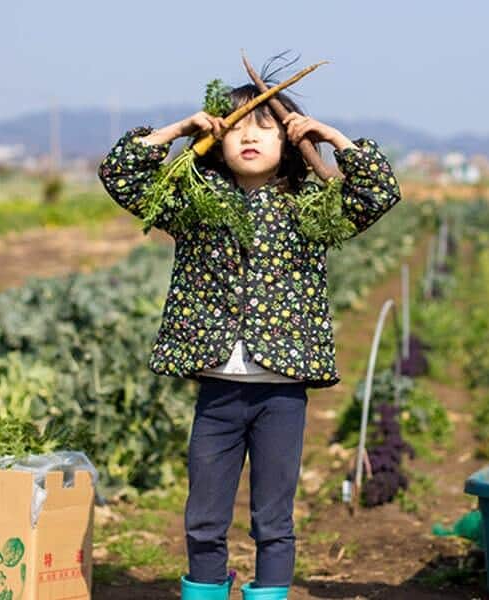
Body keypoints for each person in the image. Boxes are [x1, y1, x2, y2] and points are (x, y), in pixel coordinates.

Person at [99, 83, 401, 600]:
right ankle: (208, 587)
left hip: (281, 393)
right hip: (218, 390)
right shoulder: (197, 202)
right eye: (236, 126)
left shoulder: (310, 208)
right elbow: (119, 173)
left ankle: (271, 590)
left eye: (265, 127)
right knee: (204, 516)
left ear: (288, 141)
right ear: (217, 141)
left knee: (273, 518)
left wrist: (331, 138)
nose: (249, 137)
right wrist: (177, 132)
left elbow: (377, 192)